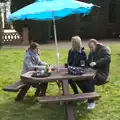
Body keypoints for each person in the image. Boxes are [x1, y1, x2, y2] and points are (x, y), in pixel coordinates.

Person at [76, 39, 111, 109]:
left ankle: (91, 102)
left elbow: (108, 59)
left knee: (90, 80)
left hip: (102, 74)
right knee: (78, 79)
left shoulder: (104, 49)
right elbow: (88, 62)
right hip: (92, 72)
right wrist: (84, 66)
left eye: (91, 47)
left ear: (96, 44)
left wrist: (96, 63)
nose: (90, 49)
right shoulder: (91, 52)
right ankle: (88, 95)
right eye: (89, 47)